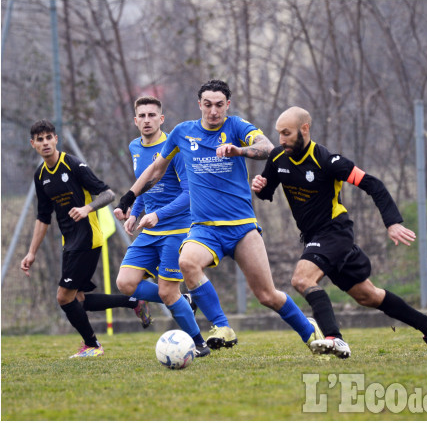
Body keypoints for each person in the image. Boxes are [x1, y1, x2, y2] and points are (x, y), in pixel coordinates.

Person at [115, 80, 325, 352]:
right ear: (199, 104)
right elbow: (155, 170)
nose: (213, 111)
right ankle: (221, 326)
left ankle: (311, 332)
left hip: (241, 227)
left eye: (219, 105)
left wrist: (240, 150)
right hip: (204, 229)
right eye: (207, 104)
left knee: (267, 295)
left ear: (227, 104)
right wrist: (129, 197)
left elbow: (267, 148)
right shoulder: (182, 133)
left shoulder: (237, 127)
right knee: (188, 262)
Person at [251, 106, 427, 361]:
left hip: (335, 232)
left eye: (287, 133)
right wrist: (259, 187)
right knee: (368, 295)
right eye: (279, 133)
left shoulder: (327, 161)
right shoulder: (278, 157)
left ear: (304, 129)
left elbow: (373, 184)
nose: (281, 140)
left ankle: (334, 338)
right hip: (315, 238)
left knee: (302, 280)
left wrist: (393, 222)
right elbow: (267, 192)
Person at [21, 120, 153, 358]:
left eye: (48, 137)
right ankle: (133, 301)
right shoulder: (40, 175)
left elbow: (108, 193)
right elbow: (43, 217)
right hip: (69, 242)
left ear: (55, 139)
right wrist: (31, 253)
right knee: (78, 299)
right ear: (33, 144)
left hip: (88, 238)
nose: (45, 143)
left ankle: (93, 345)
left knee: (63, 297)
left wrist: (87, 208)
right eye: (39, 140)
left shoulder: (72, 165)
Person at [114, 96, 233, 358]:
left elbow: (190, 194)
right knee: (125, 283)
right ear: (135, 121)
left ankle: (199, 343)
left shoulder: (175, 148)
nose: (147, 120)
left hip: (177, 230)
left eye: (151, 115)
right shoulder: (135, 147)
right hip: (150, 229)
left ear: (161, 119)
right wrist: (135, 212)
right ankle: (185, 300)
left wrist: (158, 215)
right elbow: (145, 185)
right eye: (142, 116)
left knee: (168, 292)